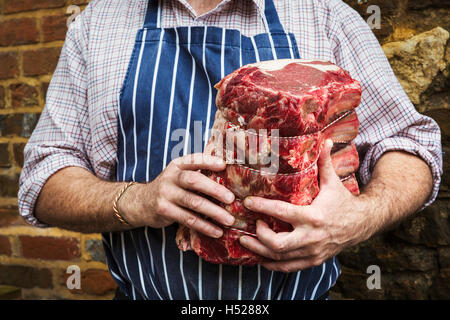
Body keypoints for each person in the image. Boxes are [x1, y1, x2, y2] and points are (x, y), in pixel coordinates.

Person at [19, 0, 442, 300]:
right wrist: (140, 200)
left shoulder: (324, 13)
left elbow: (409, 143)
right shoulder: (100, 22)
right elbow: (45, 174)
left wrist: (359, 218)